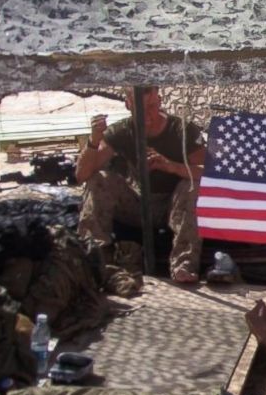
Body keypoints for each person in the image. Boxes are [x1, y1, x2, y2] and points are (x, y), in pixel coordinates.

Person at [75, 85, 206, 284]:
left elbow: (208, 171)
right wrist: (94, 141)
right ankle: (97, 258)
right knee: (99, 179)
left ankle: (184, 264)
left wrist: (172, 167)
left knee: (193, 186)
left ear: (160, 101)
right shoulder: (120, 131)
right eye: (140, 107)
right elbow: (82, 174)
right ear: (129, 105)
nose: (148, 114)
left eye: (152, 106)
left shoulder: (182, 130)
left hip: (172, 206)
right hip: (136, 203)